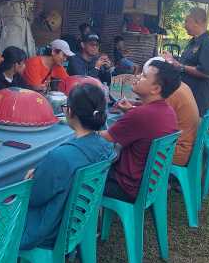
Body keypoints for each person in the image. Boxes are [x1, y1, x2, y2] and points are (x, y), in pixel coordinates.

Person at [20, 84, 113, 250]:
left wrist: (35, 178)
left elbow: (33, 197)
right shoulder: (104, 146)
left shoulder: (61, 158)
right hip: (76, 221)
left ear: (69, 111)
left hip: (47, 230)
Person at [101, 60, 181, 201]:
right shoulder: (168, 111)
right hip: (149, 183)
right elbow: (144, 124)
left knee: (78, 174)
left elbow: (105, 137)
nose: (137, 76)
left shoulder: (141, 114)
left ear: (155, 89)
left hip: (126, 186)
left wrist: (78, 126)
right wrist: (130, 111)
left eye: (143, 76)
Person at [166, 7, 209, 115]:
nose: (184, 25)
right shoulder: (193, 42)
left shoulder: (208, 44)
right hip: (186, 97)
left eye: (186, 21)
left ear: (196, 22)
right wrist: (173, 60)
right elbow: (187, 62)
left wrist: (180, 67)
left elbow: (206, 72)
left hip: (197, 101)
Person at [143, 56, 198, 166]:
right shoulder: (181, 86)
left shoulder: (171, 93)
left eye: (145, 76)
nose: (140, 79)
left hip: (176, 151)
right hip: (184, 145)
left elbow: (150, 122)